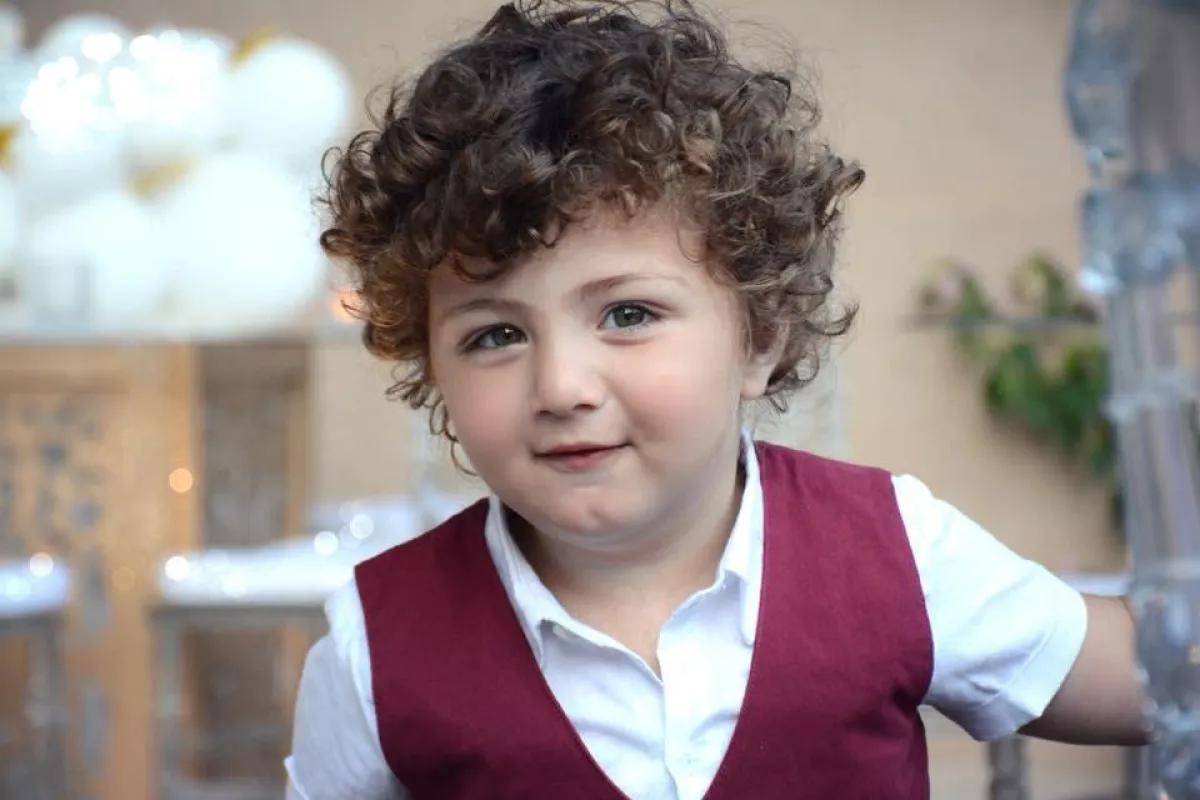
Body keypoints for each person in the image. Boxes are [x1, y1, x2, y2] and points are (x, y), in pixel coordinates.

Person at [285, 1, 1148, 797]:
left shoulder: (897, 553)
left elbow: (1157, 685)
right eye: (495, 335)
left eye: (628, 314)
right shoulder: (374, 649)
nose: (560, 387)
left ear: (760, 336)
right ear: (431, 362)